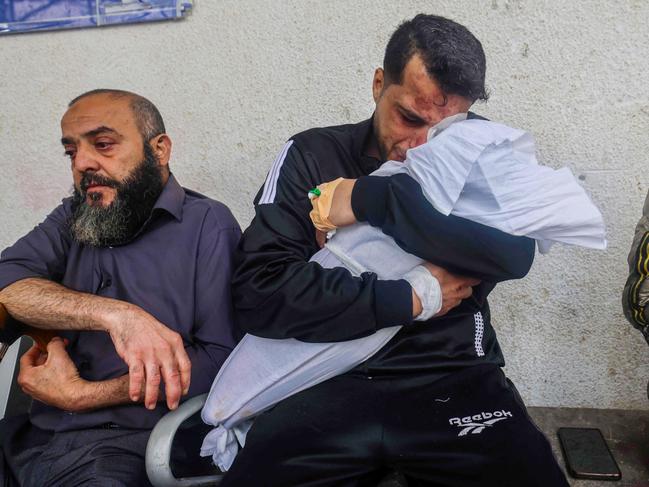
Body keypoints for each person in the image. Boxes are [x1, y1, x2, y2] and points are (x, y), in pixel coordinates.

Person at [222, 14, 569, 486]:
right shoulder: (311, 154)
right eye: (409, 118)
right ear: (378, 84)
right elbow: (259, 292)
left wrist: (370, 198)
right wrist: (410, 296)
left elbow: (513, 256)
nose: (420, 148)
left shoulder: (485, 152)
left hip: (452, 375)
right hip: (323, 376)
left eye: (445, 131)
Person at [0, 89, 241, 486]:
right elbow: (8, 281)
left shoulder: (208, 226)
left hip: (128, 446)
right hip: (32, 439)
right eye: (70, 152)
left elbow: (221, 362)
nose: (82, 163)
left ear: (159, 149)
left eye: (103, 145)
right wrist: (116, 315)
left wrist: (82, 396)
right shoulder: (72, 215)